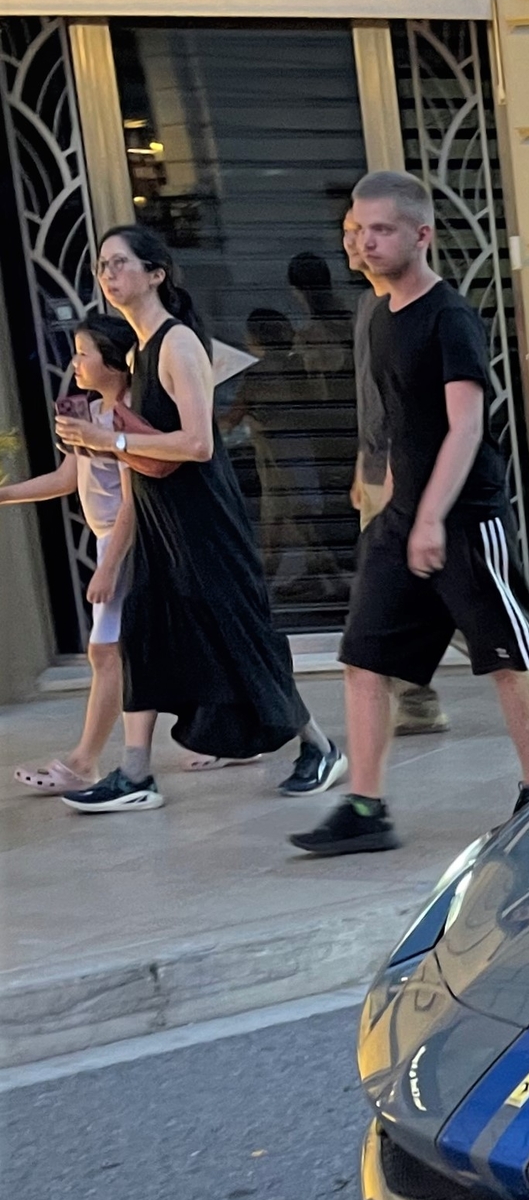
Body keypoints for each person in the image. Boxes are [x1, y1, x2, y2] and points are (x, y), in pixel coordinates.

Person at [294, 169, 529, 856]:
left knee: (504, 657)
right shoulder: (376, 315)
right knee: (363, 658)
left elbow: (466, 426)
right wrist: (371, 483)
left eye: (380, 229)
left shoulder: (449, 317)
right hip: (399, 516)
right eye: (356, 229)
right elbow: (388, 418)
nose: (364, 242)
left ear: (420, 235)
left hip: (464, 516)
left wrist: (433, 516)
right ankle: (366, 808)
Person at [53, 228, 342, 814]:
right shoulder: (136, 352)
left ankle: (319, 746)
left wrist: (105, 438)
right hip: (163, 521)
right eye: (102, 266)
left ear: (157, 273)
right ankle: (135, 773)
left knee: (240, 635)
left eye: (120, 264)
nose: (109, 276)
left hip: (204, 521)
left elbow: (199, 443)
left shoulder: (178, 343)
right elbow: (145, 455)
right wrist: (110, 452)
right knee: (143, 634)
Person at [6, 313, 142, 795]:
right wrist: (6, 494)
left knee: (104, 651)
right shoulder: (82, 410)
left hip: (127, 545)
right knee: (131, 650)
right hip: (110, 541)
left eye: (84, 353)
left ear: (116, 361)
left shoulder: (130, 415)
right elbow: (68, 479)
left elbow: (131, 501)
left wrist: (107, 567)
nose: (75, 363)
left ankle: (83, 761)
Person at [341, 204, 447, 736]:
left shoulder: (425, 307)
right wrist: (366, 464)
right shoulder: (368, 306)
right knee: (390, 589)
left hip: (414, 471)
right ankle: (416, 700)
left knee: (434, 587)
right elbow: (371, 396)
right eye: (350, 233)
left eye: (368, 232)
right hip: (381, 465)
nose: (356, 243)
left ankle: (506, 659)